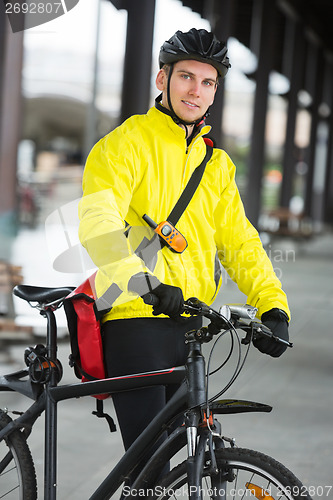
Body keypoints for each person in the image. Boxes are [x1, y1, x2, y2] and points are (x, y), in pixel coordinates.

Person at [78, 28, 290, 457]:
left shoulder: (217, 165)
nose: (196, 90)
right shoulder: (125, 144)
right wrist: (143, 283)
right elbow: (97, 223)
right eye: (186, 77)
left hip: (190, 324)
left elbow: (240, 241)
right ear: (163, 80)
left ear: (215, 92)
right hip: (135, 314)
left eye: (208, 82)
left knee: (187, 454)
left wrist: (272, 304)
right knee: (151, 459)